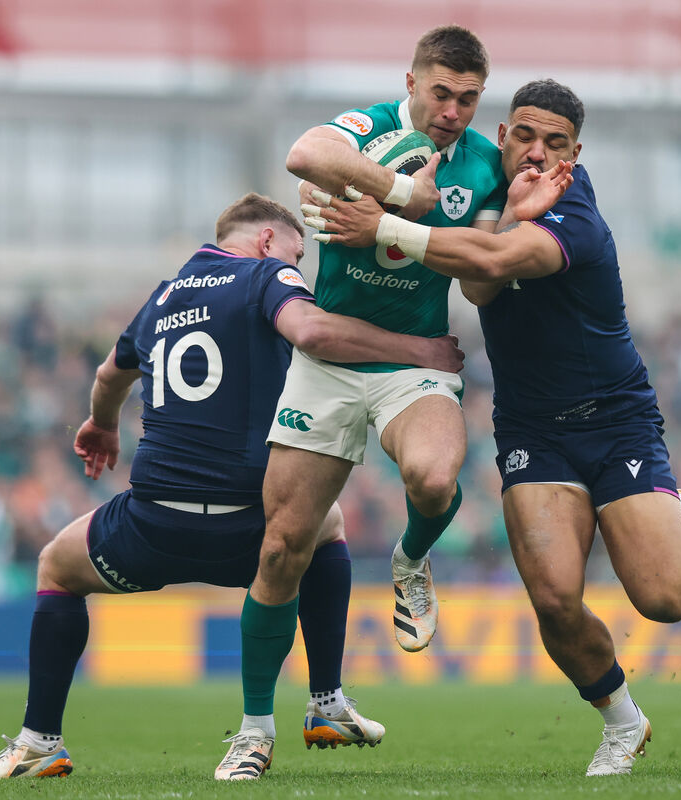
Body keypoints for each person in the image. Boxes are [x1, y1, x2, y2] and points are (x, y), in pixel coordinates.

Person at [0, 193, 465, 782]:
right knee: (325, 526)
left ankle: (40, 742)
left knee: (55, 566)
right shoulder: (264, 277)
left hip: (153, 525)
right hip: (246, 528)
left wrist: (100, 425)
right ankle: (325, 701)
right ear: (268, 242)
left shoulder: (162, 297)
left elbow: (108, 376)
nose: (297, 269)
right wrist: (417, 349)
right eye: (297, 255)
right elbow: (309, 330)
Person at [304, 79, 681, 777]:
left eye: (555, 144)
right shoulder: (493, 194)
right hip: (532, 427)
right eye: (524, 135)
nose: (536, 152)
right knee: (554, 601)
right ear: (503, 136)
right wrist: (493, 218)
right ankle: (623, 722)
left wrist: (382, 226)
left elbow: (494, 264)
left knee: (664, 601)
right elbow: (478, 288)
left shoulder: (575, 211)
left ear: (574, 155)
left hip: (614, 421)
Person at [269, 24, 507, 656]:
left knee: (433, 479)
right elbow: (303, 154)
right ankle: (284, 712)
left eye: (468, 98)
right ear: (411, 83)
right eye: (440, 93)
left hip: (415, 358)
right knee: (282, 547)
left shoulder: (486, 166)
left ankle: (411, 560)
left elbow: (479, 289)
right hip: (329, 358)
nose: (452, 111)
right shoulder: (369, 127)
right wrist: (402, 192)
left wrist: (388, 227)